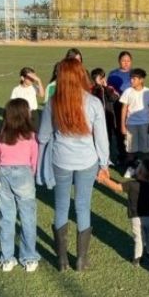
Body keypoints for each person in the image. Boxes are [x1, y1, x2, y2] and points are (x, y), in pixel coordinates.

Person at [37, 59, 109, 272]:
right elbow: (102, 138)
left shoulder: (52, 102)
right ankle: (81, 260)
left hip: (60, 160)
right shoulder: (93, 102)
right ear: (81, 75)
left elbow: (43, 135)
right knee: (82, 207)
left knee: (61, 207)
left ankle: (61, 261)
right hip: (87, 160)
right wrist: (104, 163)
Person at [0, 98, 40, 272]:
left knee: (7, 217)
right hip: (24, 173)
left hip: (4, 173)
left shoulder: (1, 133)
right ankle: (29, 258)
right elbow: (34, 159)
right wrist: (31, 174)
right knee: (27, 217)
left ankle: (7, 258)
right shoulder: (30, 135)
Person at [98, 159, 149, 266]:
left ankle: (137, 259)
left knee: (139, 238)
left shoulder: (132, 184)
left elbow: (116, 187)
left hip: (136, 217)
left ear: (139, 172)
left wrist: (104, 180)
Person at [119, 68, 149, 177]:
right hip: (131, 124)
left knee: (146, 149)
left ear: (141, 80)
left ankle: (146, 169)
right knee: (131, 148)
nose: (131, 81)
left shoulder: (148, 92)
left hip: (145, 123)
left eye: (134, 79)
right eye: (131, 78)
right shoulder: (128, 91)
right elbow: (124, 109)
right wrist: (122, 125)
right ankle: (131, 168)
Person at [107, 51, 134, 166]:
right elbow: (109, 90)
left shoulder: (134, 74)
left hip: (132, 108)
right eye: (123, 60)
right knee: (119, 131)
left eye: (128, 61)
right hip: (117, 106)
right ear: (119, 61)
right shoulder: (113, 74)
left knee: (131, 132)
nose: (126, 63)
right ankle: (121, 155)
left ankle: (132, 156)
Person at [91, 68, 121, 165]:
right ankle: (96, 158)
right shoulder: (92, 89)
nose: (100, 79)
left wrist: (106, 87)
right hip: (95, 119)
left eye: (102, 77)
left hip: (108, 118)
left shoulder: (109, 88)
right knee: (96, 139)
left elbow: (114, 98)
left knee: (107, 139)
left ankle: (107, 158)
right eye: (98, 78)